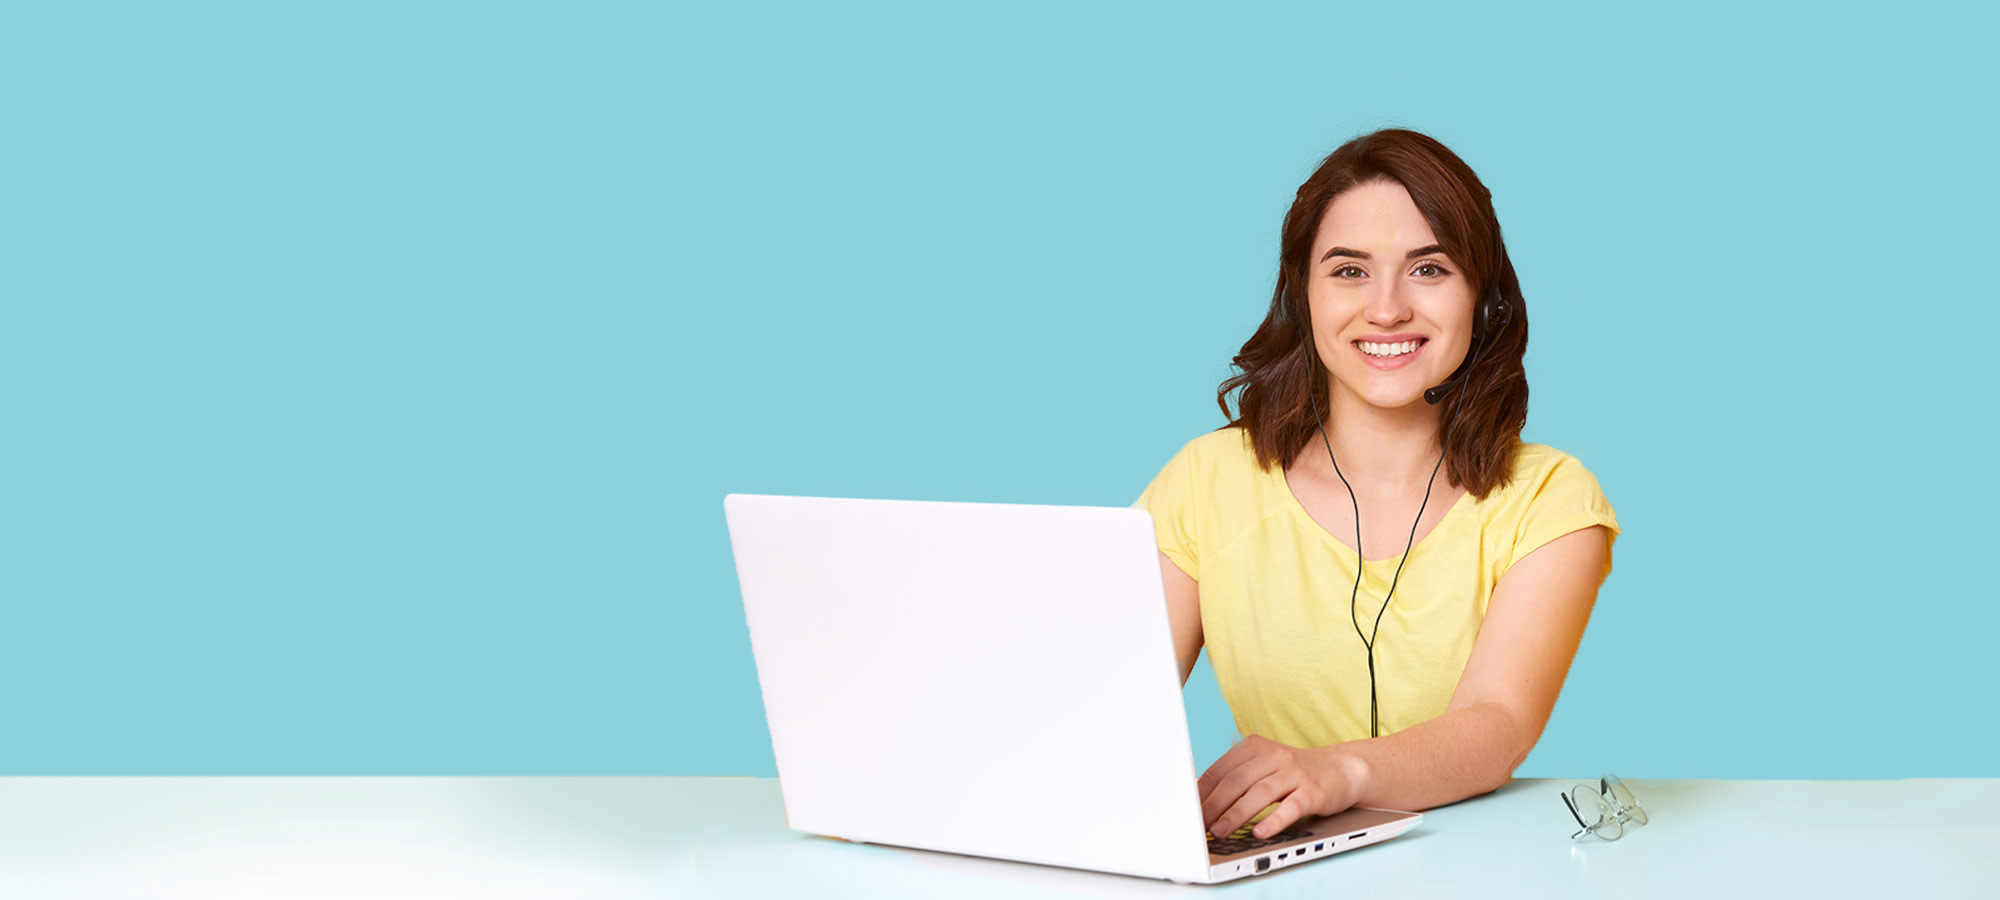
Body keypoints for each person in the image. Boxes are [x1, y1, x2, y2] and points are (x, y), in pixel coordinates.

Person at [1133, 128, 1620, 843]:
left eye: (1429, 268)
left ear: (1484, 299)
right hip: (1274, 871)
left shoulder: (1551, 498)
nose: (1386, 309)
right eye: (1349, 271)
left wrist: (1337, 772)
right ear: (1303, 294)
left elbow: (1497, 724)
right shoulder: (1204, 482)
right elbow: (1110, 706)